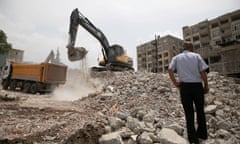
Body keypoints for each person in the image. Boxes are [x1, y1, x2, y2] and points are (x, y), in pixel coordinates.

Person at [168, 42, 209, 144]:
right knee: (200, 111)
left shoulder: (176, 58)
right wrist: (206, 85)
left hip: (184, 87)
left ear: (183, 48)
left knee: (189, 113)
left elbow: (170, 69)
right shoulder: (196, 56)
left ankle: (192, 139)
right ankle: (202, 135)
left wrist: (176, 83)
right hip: (197, 86)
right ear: (191, 48)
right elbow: (203, 72)